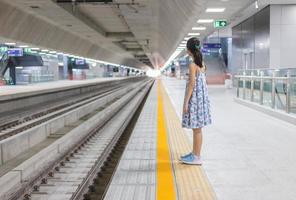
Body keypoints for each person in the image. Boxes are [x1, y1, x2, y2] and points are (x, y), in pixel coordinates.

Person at [180, 37, 212, 165]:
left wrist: (186, 102)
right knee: (197, 128)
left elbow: (192, 84)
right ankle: (194, 153)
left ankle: (197, 157)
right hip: (201, 99)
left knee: (196, 129)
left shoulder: (193, 65)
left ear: (189, 50)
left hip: (195, 100)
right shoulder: (202, 64)